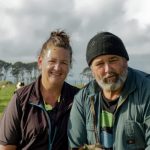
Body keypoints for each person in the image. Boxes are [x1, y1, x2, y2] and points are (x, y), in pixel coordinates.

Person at [68, 32, 150, 150]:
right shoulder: (82, 99)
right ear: (92, 71)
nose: (107, 69)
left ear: (125, 61)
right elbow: (74, 146)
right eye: (100, 64)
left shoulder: (146, 90)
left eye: (113, 60)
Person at [0, 30, 79, 150]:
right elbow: (7, 147)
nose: (57, 68)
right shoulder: (21, 99)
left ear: (69, 66)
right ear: (40, 62)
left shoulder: (78, 98)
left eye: (63, 62)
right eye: (52, 61)